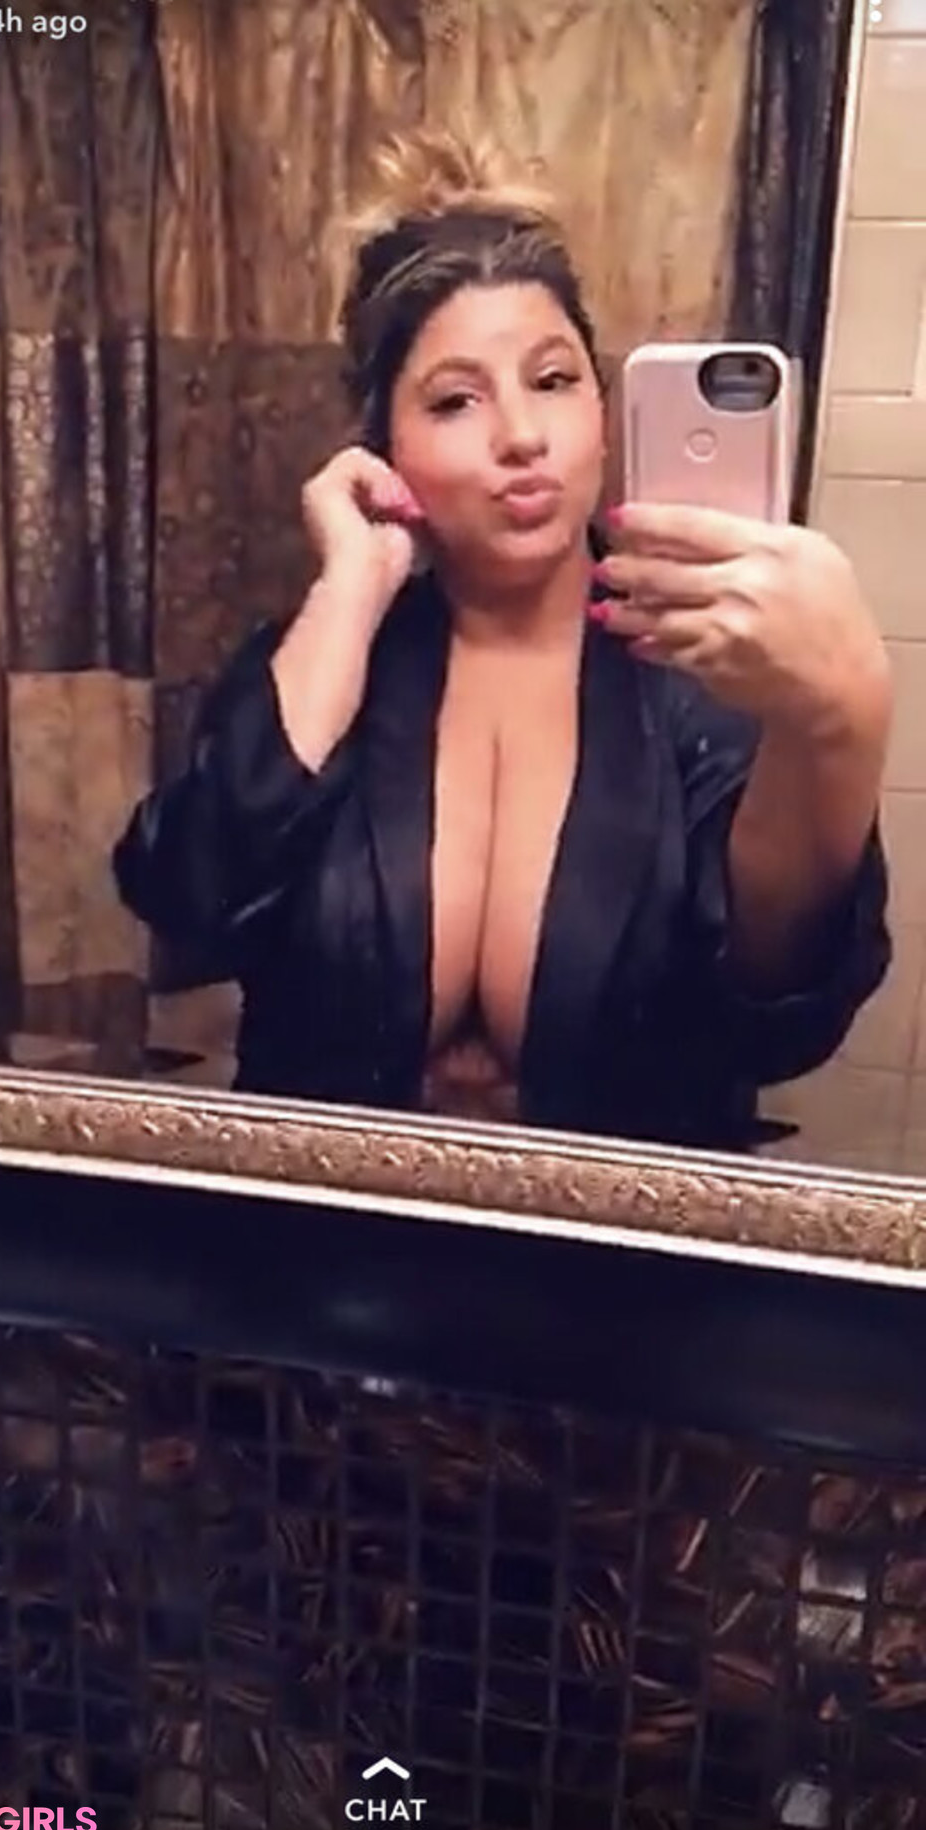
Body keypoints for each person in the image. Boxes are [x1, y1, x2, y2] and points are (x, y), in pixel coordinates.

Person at [113, 129, 892, 1151]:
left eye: (554, 380)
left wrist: (839, 720)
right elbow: (189, 903)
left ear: (602, 413)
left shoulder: (706, 673)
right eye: (455, 399)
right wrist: (352, 589)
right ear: (385, 447)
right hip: (321, 1242)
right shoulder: (323, 664)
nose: (522, 435)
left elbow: (778, 1008)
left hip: (617, 1249)